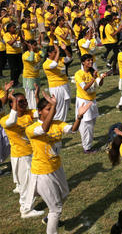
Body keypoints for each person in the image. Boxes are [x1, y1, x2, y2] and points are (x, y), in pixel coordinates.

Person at [26, 92, 87, 234]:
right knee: (56, 208)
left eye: (52, 108)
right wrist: (54, 106)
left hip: (57, 168)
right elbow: (44, 129)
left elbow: (72, 130)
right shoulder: (31, 129)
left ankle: (49, 219)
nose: (52, 111)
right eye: (48, 109)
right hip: (42, 172)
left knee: (64, 193)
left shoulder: (57, 124)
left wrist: (79, 117)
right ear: (39, 112)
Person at [0, 91, 43, 218]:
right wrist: (12, 101)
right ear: (12, 104)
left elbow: (41, 112)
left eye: (25, 101)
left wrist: (37, 96)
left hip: (32, 153)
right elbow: (12, 121)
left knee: (32, 180)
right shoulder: (5, 119)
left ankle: (33, 198)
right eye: (21, 102)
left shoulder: (28, 113)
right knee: (27, 183)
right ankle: (25, 209)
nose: (25, 103)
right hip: (21, 156)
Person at [74, 54, 108, 152]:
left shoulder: (93, 72)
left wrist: (102, 78)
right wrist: (93, 78)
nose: (91, 62)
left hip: (92, 100)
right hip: (83, 101)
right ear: (83, 62)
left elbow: (99, 84)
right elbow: (85, 88)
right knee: (86, 125)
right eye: (88, 60)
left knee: (91, 123)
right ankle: (87, 147)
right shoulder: (79, 74)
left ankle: (87, 143)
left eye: (91, 60)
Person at [42, 44, 72, 122]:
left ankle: (62, 121)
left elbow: (69, 58)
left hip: (65, 84)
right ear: (49, 53)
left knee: (66, 104)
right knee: (59, 106)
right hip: (56, 87)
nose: (57, 54)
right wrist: (58, 50)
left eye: (57, 52)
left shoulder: (60, 59)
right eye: (55, 52)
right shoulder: (46, 64)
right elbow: (54, 65)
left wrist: (65, 49)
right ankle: (57, 121)